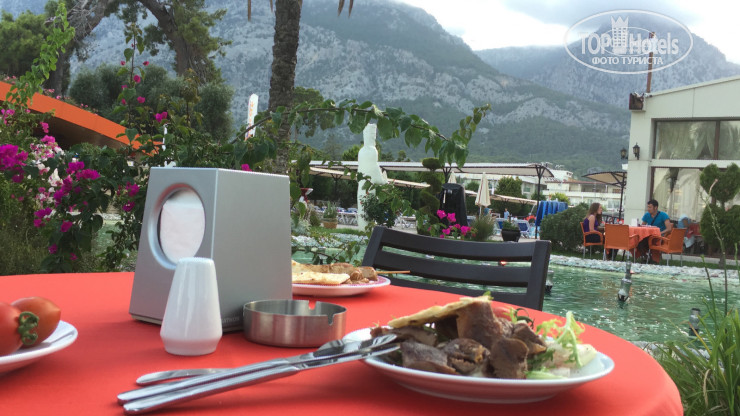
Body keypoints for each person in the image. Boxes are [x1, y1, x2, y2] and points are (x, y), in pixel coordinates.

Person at [637, 199, 673, 263]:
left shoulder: (663, 215)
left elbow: (669, 229)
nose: (648, 209)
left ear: (655, 207)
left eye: (650, 207)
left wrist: (660, 233)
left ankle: (651, 259)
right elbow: (642, 227)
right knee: (638, 240)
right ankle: (646, 257)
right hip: (649, 236)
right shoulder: (647, 215)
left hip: (660, 237)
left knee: (644, 241)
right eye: (648, 207)